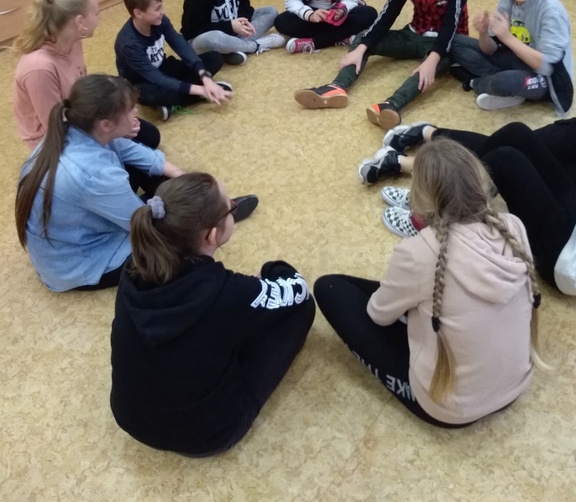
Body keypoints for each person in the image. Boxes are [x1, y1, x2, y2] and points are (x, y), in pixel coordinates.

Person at [315, 139, 545, 428]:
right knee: (418, 298)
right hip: (515, 386)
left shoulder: (418, 252)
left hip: (449, 409)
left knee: (330, 288)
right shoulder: (513, 226)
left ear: (419, 200)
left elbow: (378, 315)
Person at [110, 172, 315, 456]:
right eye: (231, 208)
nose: (233, 208)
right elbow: (298, 290)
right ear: (211, 235)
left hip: (130, 419)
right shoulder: (227, 293)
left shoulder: (133, 269)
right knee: (302, 310)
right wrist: (273, 270)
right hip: (206, 436)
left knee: (208, 337)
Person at [15, 74, 260, 293]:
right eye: (131, 109)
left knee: (153, 170)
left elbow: (129, 150)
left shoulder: (76, 128)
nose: (136, 113)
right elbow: (143, 228)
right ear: (106, 124)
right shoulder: (95, 175)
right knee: (175, 246)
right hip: (80, 264)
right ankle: (212, 219)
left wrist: (179, 175)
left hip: (78, 232)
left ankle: (209, 211)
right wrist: (191, 215)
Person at [361, 119, 576, 294]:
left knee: (505, 159)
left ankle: (431, 211)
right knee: (517, 134)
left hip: (566, 254)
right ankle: (430, 181)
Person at [293, 0, 468, 130]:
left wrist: (433, 59)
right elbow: (388, 13)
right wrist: (362, 48)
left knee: (430, 67)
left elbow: (450, 26)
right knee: (362, 38)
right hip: (414, 33)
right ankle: (336, 88)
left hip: (445, 43)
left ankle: (391, 105)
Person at [12, 0, 161, 154]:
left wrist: (117, 118)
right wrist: (110, 132)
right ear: (80, 22)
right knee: (126, 162)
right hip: (54, 140)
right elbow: (56, 129)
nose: (99, 18)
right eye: (96, 13)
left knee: (149, 136)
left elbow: (83, 92)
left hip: (76, 115)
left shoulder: (73, 40)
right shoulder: (39, 69)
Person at [449, 0, 573, 114]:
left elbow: (547, 67)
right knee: (453, 41)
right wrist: (483, 33)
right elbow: (490, 49)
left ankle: (475, 82)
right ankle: (503, 87)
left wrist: (506, 37)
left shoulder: (551, 12)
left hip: (546, 79)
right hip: (517, 59)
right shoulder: (506, 0)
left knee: (506, 82)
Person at [115, 0, 232, 122]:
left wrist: (205, 77)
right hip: (142, 81)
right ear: (138, 13)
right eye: (157, 9)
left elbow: (181, 46)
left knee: (214, 58)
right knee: (151, 95)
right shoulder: (128, 44)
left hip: (164, 66)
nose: (163, 11)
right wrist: (201, 90)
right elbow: (155, 78)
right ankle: (200, 95)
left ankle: (174, 102)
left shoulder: (160, 20)